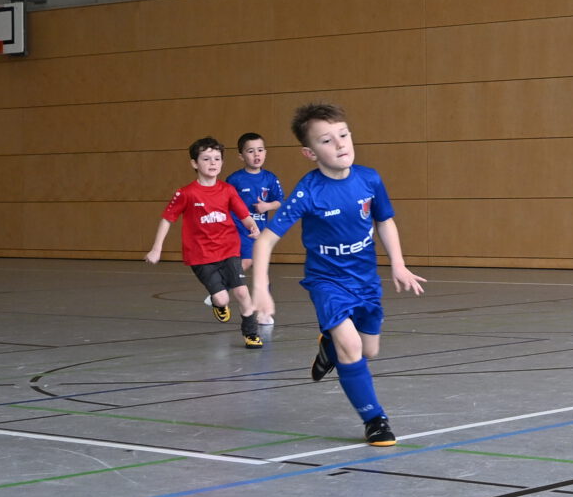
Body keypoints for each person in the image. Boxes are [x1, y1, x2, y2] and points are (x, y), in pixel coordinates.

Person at [252, 103, 427, 448]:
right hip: (327, 282)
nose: (340, 144)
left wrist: (398, 263)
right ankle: (375, 419)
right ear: (310, 152)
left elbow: (384, 221)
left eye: (343, 135)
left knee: (368, 350)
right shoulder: (308, 191)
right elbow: (266, 240)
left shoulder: (369, 179)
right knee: (352, 347)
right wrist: (260, 288)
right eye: (326, 140)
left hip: (365, 280)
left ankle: (328, 347)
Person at [143, 137, 265, 349]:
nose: (212, 163)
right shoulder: (186, 193)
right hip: (201, 255)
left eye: (217, 158)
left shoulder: (227, 190)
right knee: (222, 299)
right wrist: (156, 248)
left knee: (242, 292)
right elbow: (167, 219)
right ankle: (219, 304)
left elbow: (244, 215)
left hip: (229, 250)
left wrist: (252, 227)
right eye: (206, 159)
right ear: (194, 163)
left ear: (222, 162)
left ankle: (251, 333)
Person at [223, 132, 284, 331]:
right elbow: (224, 202)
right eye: (250, 151)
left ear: (265, 152)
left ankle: (223, 286)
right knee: (250, 263)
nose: (256, 154)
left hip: (261, 231)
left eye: (260, 150)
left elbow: (279, 201)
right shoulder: (235, 179)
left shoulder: (270, 178)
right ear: (241, 156)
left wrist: (267, 206)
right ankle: (222, 288)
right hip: (240, 229)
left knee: (259, 269)